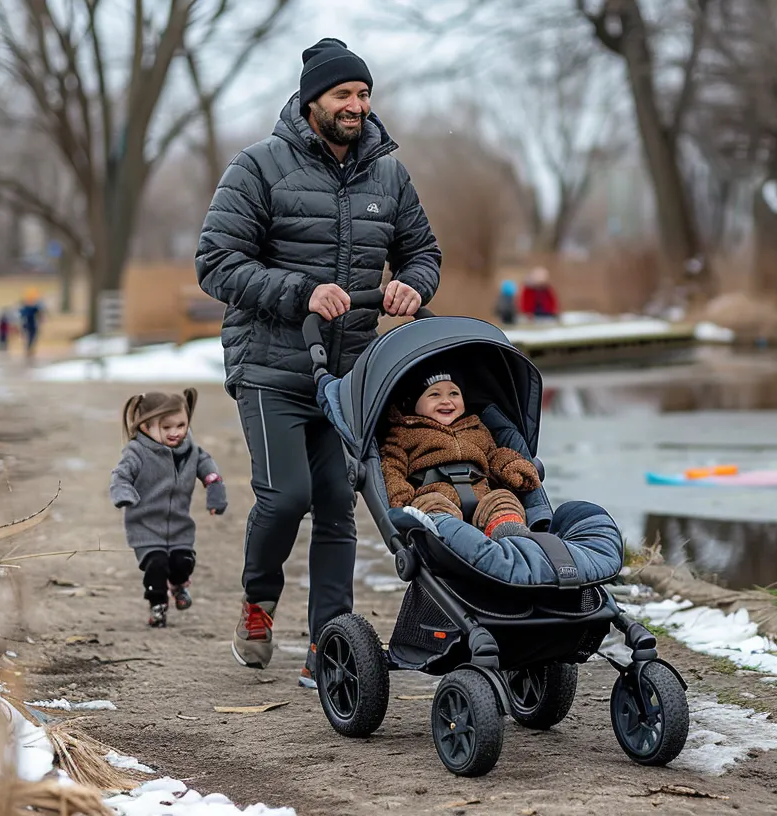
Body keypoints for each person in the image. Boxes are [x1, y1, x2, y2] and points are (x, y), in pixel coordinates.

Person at [194, 37, 441, 686]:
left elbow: (422, 252)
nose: (357, 106)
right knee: (286, 497)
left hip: (351, 377)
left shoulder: (388, 174)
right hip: (272, 366)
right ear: (313, 104)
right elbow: (216, 264)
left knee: (337, 500)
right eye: (344, 95)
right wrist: (299, 293)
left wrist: (413, 284)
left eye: (364, 94)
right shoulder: (259, 168)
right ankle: (257, 603)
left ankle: (329, 647)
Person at [109, 389, 228, 628]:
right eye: (167, 427)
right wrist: (124, 494)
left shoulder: (191, 451)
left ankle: (179, 583)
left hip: (179, 526)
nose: (176, 432)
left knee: (182, 562)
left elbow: (209, 470)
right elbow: (120, 477)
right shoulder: (136, 452)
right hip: (145, 527)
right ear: (145, 427)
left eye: (181, 425)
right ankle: (158, 605)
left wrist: (215, 490)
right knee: (156, 566)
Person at [379, 367, 542, 539]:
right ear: (414, 403)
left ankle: (510, 535)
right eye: (434, 394)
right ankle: (450, 540)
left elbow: (494, 455)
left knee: (502, 499)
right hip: (436, 494)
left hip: (481, 493)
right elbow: (392, 466)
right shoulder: (405, 432)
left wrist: (511, 467)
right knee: (433, 508)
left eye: (454, 394)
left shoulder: (476, 427)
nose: (446, 401)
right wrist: (400, 497)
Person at [19, 289, 44, 359]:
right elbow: (22, 316)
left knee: (31, 337)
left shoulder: (33, 308)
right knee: (29, 337)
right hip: (28, 324)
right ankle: (28, 349)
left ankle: (29, 349)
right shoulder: (26, 308)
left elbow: (39, 313)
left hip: (31, 324)